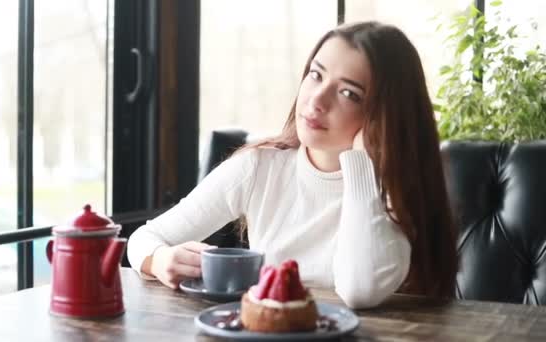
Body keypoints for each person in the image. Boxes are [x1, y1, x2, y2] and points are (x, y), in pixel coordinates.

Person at [127, 21, 458, 309]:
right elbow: (145, 237)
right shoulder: (259, 167)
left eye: (348, 93)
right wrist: (159, 260)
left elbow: (359, 290)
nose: (317, 100)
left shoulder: (394, 189)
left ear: (385, 115)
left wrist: (361, 165)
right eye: (316, 75)